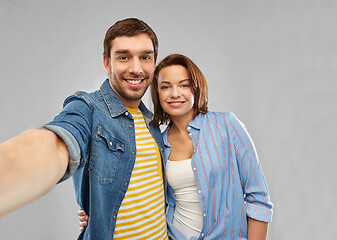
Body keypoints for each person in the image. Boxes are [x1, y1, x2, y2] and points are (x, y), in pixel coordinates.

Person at [0, 18, 169, 239]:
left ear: (154, 63)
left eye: (145, 57)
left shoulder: (153, 122)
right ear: (107, 63)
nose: (136, 68)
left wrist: (98, 208)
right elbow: (59, 142)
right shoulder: (87, 109)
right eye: (124, 57)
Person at [79, 54, 274, 239]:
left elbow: (258, 198)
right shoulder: (157, 142)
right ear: (157, 93)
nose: (175, 94)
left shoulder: (227, 125)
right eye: (165, 87)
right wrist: (94, 210)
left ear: (195, 88)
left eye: (184, 85)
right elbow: (136, 187)